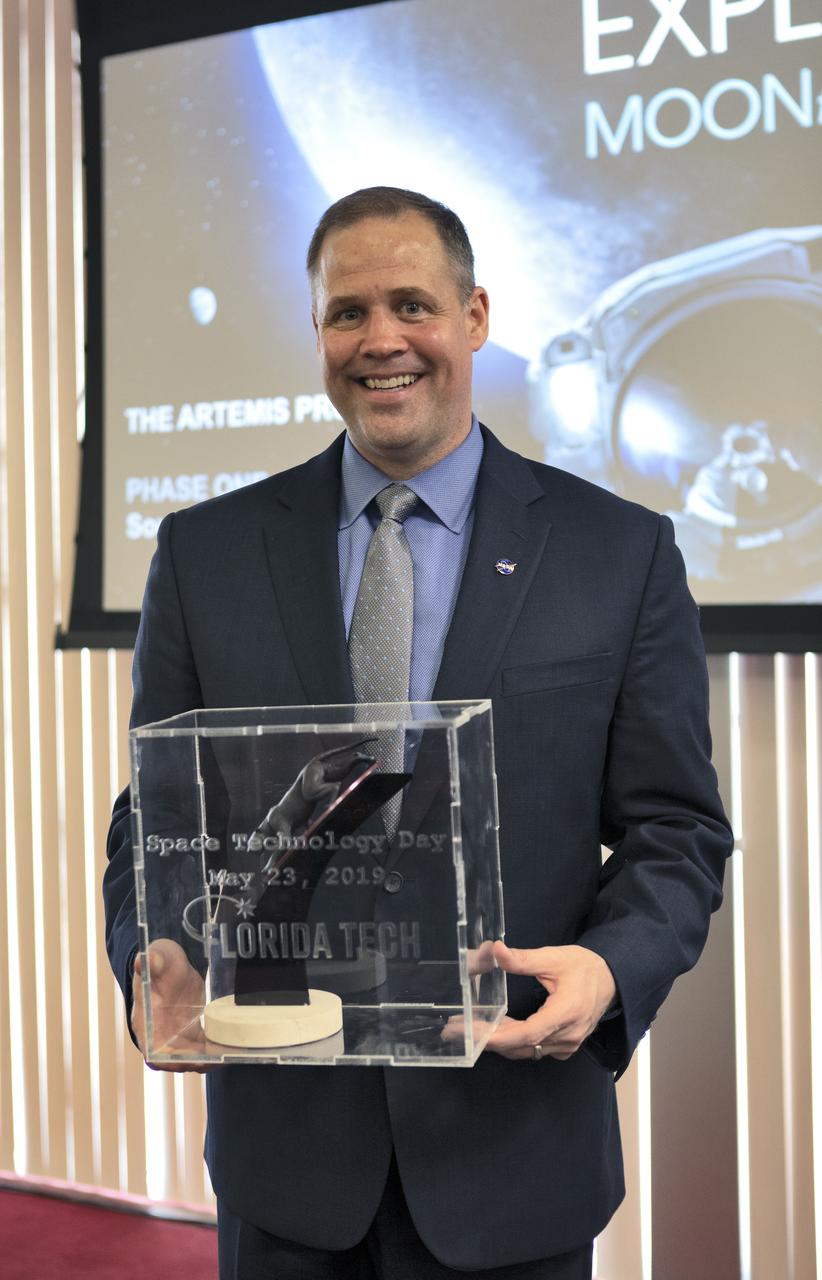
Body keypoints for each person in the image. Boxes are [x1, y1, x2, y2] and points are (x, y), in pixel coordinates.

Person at [104, 187, 733, 1279]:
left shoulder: (618, 553)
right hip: (287, 1157)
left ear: (475, 317)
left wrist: (608, 968)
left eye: (413, 304)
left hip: (514, 1145)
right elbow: (156, 811)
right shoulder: (205, 553)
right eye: (347, 312)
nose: (381, 339)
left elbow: (676, 830)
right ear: (317, 332)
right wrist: (148, 954)